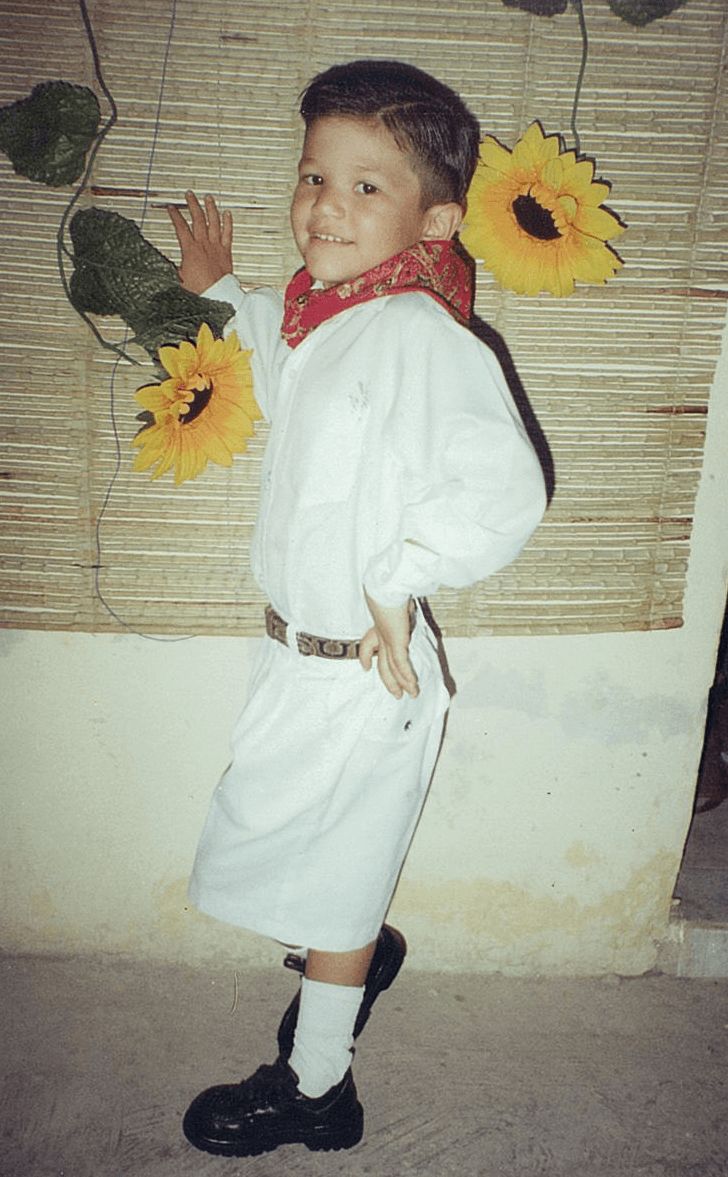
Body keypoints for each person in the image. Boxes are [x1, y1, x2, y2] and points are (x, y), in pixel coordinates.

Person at [167, 59, 547, 1157]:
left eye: (365, 186)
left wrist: (396, 578)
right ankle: (354, 949)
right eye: (314, 176)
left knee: (329, 894)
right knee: (279, 849)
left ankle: (317, 1089)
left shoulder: (426, 334)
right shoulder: (331, 321)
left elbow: (509, 493)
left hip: (363, 676)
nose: (327, 204)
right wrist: (216, 292)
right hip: (298, 658)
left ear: (436, 217)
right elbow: (287, 385)